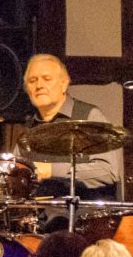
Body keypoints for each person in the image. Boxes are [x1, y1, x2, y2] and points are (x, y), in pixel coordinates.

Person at [15, 53, 120, 206]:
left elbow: (108, 171)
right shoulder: (27, 129)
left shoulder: (89, 116)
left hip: (83, 219)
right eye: (32, 81)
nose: (39, 85)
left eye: (47, 79)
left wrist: (51, 170)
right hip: (38, 221)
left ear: (64, 84)